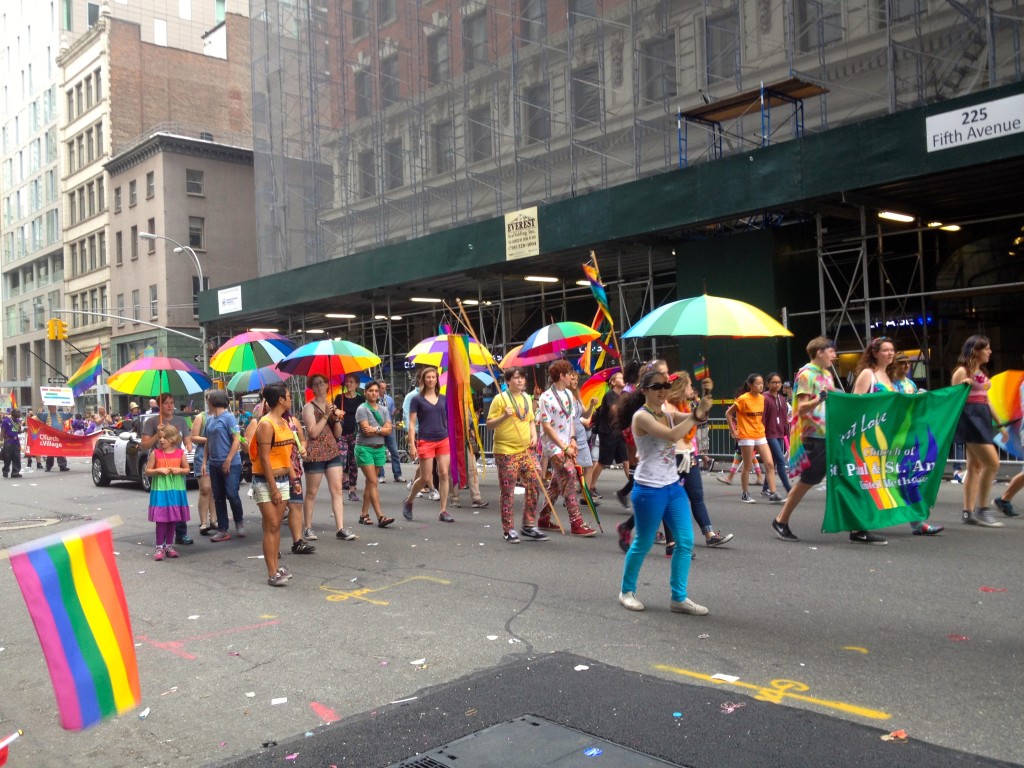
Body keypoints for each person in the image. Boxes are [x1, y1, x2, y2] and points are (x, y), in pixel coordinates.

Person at [772, 337, 888, 545]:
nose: (835, 356)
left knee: (850, 477)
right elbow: (801, 408)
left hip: (834, 434)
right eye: (832, 351)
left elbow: (830, 397)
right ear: (819, 352)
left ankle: (857, 528)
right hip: (815, 436)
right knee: (809, 480)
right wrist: (821, 397)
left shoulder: (825, 374)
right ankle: (781, 520)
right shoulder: (806, 374)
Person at [617, 368, 713, 615]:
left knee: (686, 541)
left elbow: (694, 417)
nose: (663, 391)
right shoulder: (642, 417)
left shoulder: (668, 414)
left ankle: (678, 598)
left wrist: (703, 403)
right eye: (657, 386)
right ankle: (626, 591)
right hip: (648, 489)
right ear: (645, 390)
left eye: (666, 386)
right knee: (644, 542)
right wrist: (694, 416)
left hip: (673, 486)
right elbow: (672, 435)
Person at [853, 339, 942, 536]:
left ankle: (917, 522)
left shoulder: (888, 375)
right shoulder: (868, 374)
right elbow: (855, 404)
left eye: (892, 350)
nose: (890, 353)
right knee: (871, 481)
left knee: (904, 477)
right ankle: (859, 527)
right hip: (872, 438)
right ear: (874, 353)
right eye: (885, 350)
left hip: (891, 437)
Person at [535, 360, 598, 537]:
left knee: (557, 482)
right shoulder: (546, 397)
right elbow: (546, 426)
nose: (572, 377)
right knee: (570, 476)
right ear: (561, 376)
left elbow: (571, 420)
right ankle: (576, 522)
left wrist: (572, 440)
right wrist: (563, 446)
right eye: (569, 374)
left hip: (567, 444)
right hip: (553, 447)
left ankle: (543, 518)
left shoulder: (569, 395)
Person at [485, 366, 547, 543]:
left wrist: (534, 436)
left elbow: (530, 421)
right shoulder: (500, 399)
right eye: (516, 378)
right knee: (508, 491)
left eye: (522, 378)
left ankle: (528, 525)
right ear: (508, 381)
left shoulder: (527, 398)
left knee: (535, 482)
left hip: (525, 451)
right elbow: (489, 425)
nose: (520, 381)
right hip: (506, 452)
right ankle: (508, 529)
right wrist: (504, 416)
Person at [951, 335, 1003, 528]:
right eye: (986, 348)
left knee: (975, 466)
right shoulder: (962, 372)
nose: (990, 351)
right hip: (970, 420)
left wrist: (1000, 424)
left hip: (981, 418)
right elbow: (952, 400)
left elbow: (986, 399)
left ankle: (968, 511)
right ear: (975, 350)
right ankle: (982, 508)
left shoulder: (980, 371)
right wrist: (962, 386)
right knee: (993, 463)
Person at [250, 383, 299, 586]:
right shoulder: (266, 424)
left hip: (284, 479)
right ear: (280, 399)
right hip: (264, 481)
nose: (290, 399)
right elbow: (264, 458)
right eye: (288, 396)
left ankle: (276, 566)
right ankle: (272, 573)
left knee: (276, 526)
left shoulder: (283, 422)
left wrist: (294, 478)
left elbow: (286, 456)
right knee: (271, 525)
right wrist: (272, 487)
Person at [301, 373, 354, 541]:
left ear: (326, 385)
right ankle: (308, 527)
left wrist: (336, 419)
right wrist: (325, 415)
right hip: (315, 453)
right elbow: (313, 432)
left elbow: (338, 434)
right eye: (315, 384)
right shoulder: (309, 407)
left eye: (321, 383)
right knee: (312, 492)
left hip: (331, 451)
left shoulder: (332, 406)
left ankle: (340, 527)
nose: (318, 386)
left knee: (337, 490)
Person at [140, 393, 194, 545]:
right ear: (159, 405)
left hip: (176, 462)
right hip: (159, 463)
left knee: (177, 497)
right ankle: (162, 537)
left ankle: (181, 533)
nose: (170, 406)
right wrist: (157, 435)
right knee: (163, 500)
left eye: (172, 402)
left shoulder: (181, 420)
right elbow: (144, 445)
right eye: (166, 403)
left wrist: (189, 446)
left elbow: (186, 439)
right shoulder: (152, 422)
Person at [403, 367, 454, 523]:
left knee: (444, 473)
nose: (431, 380)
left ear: (437, 379)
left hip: (443, 439)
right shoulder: (417, 399)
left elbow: (450, 419)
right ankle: (409, 501)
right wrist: (412, 444)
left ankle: (443, 510)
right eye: (428, 377)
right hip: (425, 439)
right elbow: (411, 424)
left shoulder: (444, 398)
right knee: (425, 477)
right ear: (423, 380)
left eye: (433, 377)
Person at [725, 373, 782, 504]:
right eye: (758, 383)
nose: (761, 386)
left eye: (762, 383)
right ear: (750, 385)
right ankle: (745, 494)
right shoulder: (743, 399)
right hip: (746, 435)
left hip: (760, 434)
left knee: (769, 463)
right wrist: (733, 431)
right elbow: (728, 413)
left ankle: (773, 492)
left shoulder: (763, 399)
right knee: (747, 466)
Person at [145, 424, 190, 561]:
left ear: (173, 439)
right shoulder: (156, 453)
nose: (162, 440)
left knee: (173, 520)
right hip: (161, 490)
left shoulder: (180, 453)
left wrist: (180, 470)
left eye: (165, 438)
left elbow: (187, 469)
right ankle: (159, 547)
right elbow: (147, 470)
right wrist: (158, 471)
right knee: (161, 520)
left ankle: (169, 546)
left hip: (176, 488)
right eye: (160, 438)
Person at [204, 390, 245, 542]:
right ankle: (223, 528)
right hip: (214, 463)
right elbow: (208, 441)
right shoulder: (209, 420)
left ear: (214, 401)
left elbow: (236, 439)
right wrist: (204, 462)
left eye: (208, 400)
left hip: (231, 463)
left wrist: (228, 460)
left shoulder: (229, 418)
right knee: (218, 497)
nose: (207, 403)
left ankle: (239, 521)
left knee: (232, 493)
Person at [355, 381, 396, 528]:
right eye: (370, 391)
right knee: (373, 482)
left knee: (370, 483)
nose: (373, 393)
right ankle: (380, 516)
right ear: (365, 393)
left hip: (379, 448)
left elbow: (389, 430)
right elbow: (366, 430)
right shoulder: (362, 409)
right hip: (364, 448)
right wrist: (381, 429)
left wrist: (376, 429)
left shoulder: (384, 409)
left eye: (376, 391)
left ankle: (364, 514)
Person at [283, 402, 316, 554]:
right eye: (288, 397)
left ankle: (298, 541)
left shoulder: (293, 420)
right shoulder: (265, 421)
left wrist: (302, 448)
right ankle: (273, 545)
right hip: (277, 471)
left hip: (294, 469)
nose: (290, 400)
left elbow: (302, 439)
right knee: (276, 511)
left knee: (296, 505)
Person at [590, 370, 628, 498]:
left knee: (626, 459)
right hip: (608, 433)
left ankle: (635, 485)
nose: (623, 379)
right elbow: (614, 410)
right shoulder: (610, 395)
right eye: (620, 377)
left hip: (619, 432)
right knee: (602, 461)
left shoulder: (623, 395)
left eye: (624, 377)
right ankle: (590, 486)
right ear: (612, 382)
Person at [335, 373, 364, 501]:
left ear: (357, 384)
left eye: (351, 382)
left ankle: (352, 489)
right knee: (340, 461)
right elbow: (333, 413)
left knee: (353, 462)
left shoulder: (361, 399)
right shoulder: (339, 398)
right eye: (347, 382)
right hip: (341, 433)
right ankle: (338, 490)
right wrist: (336, 412)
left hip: (355, 433)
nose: (349, 384)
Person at [190, 395, 216, 535]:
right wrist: (210, 439)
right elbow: (193, 437)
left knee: (215, 490)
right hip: (202, 456)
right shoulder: (201, 417)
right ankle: (204, 522)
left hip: (218, 455)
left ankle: (214, 519)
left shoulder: (224, 416)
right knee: (205, 489)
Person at [761, 373, 791, 496]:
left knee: (772, 461)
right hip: (769, 433)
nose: (777, 384)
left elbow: (784, 417)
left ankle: (765, 488)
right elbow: (762, 417)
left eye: (779, 382)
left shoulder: (781, 398)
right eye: (773, 382)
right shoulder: (764, 398)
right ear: (768, 384)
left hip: (779, 432)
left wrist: (786, 434)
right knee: (780, 460)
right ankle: (789, 488)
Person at [377, 381, 404, 483]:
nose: (383, 390)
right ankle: (381, 475)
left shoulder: (389, 399)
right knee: (380, 452)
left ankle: (397, 474)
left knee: (394, 451)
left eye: (385, 388)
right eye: (382, 388)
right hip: (379, 428)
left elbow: (391, 414)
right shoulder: (374, 399)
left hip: (389, 428)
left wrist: (394, 413)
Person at [41, 404, 70, 473]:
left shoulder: (60, 414)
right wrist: (41, 405)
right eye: (52, 407)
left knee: (60, 451)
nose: (53, 408)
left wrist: (72, 407)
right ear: (49, 408)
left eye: (54, 407)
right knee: (50, 452)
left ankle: (62, 466)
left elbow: (70, 414)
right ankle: (48, 466)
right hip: (50, 436)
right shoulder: (45, 415)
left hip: (59, 436)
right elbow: (39, 414)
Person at [2, 408, 23, 478]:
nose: (19, 414)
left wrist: (23, 430)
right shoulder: (6, 421)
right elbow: (2, 431)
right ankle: (5, 471)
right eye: (18, 413)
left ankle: (15, 472)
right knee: (7, 457)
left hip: (16, 441)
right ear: (13, 413)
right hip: (8, 441)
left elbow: (17, 431)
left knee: (16, 457)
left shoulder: (17, 421)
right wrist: (1, 441)